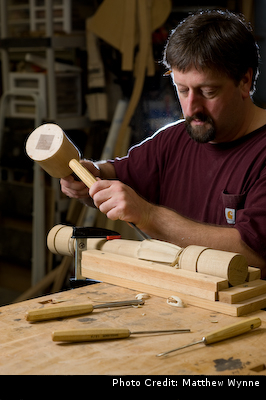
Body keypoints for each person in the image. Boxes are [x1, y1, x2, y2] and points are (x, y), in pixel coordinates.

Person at [61, 9, 266, 278]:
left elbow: (254, 254)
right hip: (173, 299)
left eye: (208, 91)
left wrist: (149, 216)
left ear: (244, 81)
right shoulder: (175, 138)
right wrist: (89, 178)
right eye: (182, 89)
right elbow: (115, 173)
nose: (192, 107)